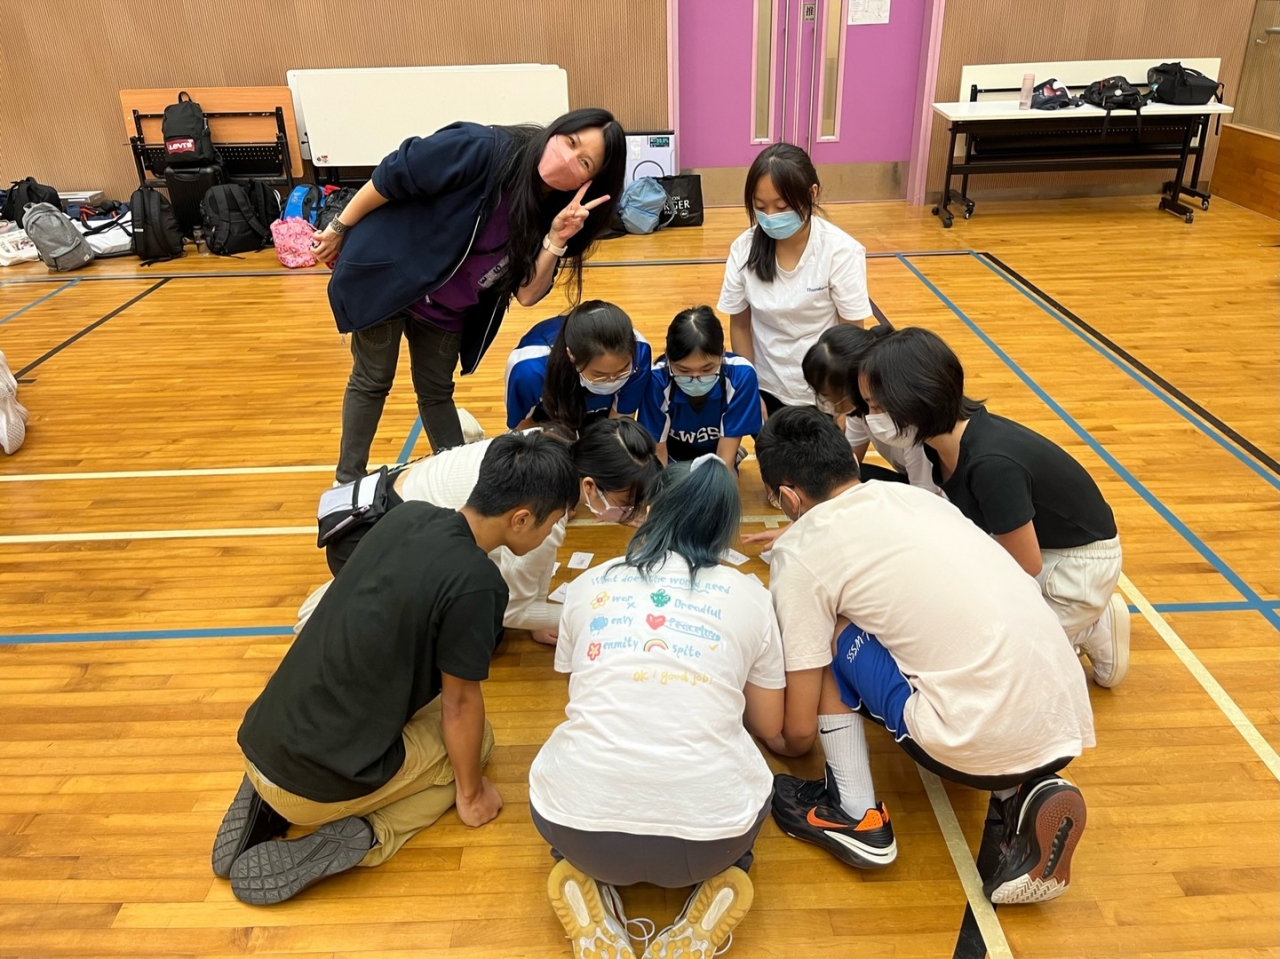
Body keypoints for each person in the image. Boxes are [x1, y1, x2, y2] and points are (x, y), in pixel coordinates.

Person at [211, 432, 579, 905]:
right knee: (476, 744)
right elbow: (459, 703)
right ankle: (370, 833)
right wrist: (471, 797)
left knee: (424, 715)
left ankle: (267, 798)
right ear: (521, 519)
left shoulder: (408, 514)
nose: (551, 534)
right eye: (552, 522)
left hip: (264, 737)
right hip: (312, 783)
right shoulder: (478, 584)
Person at [755, 407, 1095, 904]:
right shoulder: (918, 498)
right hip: (1062, 712)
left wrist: (777, 739)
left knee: (826, 633)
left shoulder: (802, 550)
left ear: (787, 497)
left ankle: (854, 813)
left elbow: (801, 731)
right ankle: (1022, 790)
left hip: (969, 734)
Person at [529, 455, 785, 958]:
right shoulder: (751, 595)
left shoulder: (589, 584)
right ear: (724, 530)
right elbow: (769, 723)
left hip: (579, 828)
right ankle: (714, 895)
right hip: (709, 844)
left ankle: (582, 877)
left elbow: (581, 689)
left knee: (569, 801)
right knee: (747, 809)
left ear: (649, 510)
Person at [316, 109, 626, 482]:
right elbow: (392, 175)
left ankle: (456, 478)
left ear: (590, 181)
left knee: (436, 391)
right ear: (556, 131)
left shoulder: (560, 214)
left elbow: (527, 294)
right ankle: (346, 480)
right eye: (570, 142)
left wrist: (556, 238)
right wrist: (339, 226)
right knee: (373, 379)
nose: (568, 158)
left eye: (584, 162)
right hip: (389, 283)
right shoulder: (482, 148)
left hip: (448, 308)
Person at [860, 327, 1130, 687]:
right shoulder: (938, 445)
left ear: (915, 399)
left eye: (878, 407)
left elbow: (1025, 565)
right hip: (1040, 547)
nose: (871, 417)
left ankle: (1089, 624)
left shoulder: (991, 464)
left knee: (990, 658)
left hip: (1075, 567)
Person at [307, 418, 663, 645]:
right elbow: (512, 611)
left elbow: (523, 591)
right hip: (367, 540)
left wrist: (534, 612)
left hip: (373, 502)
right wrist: (592, 614)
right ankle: (340, 602)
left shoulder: (542, 441)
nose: (630, 513)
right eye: (626, 502)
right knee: (481, 633)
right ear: (589, 486)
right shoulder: (544, 512)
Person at [717, 143, 873, 418]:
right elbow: (740, 325)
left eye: (782, 206)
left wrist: (839, 401)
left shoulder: (840, 251)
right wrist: (749, 390)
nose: (770, 217)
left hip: (822, 391)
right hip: (765, 386)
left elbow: (850, 334)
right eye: (760, 207)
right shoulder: (743, 250)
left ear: (812, 193)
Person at [801, 324, 940, 492]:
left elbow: (926, 496)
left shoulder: (908, 422)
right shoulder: (860, 410)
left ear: (852, 387)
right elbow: (849, 464)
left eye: (826, 394)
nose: (823, 400)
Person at [638, 305, 762, 471]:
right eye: (684, 370)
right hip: (673, 457)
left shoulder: (742, 377)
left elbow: (724, 462)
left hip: (718, 453)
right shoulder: (655, 381)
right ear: (668, 357)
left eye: (707, 369)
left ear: (723, 353)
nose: (696, 378)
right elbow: (658, 452)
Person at [505, 300, 651, 433]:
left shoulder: (640, 353)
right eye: (599, 375)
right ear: (572, 356)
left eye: (622, 371)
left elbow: (620, 420)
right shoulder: (528, 371)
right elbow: (523, 426)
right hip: (547, 421)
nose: (612, 380)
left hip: (603, 417)